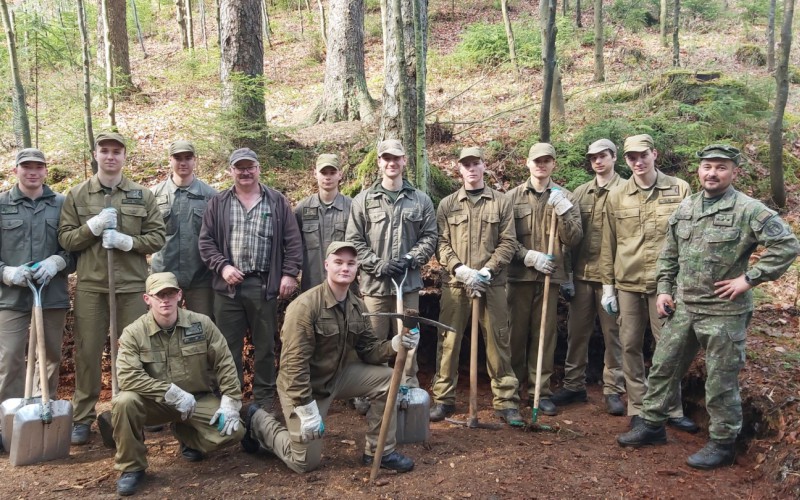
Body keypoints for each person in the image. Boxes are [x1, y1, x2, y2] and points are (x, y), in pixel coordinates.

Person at [616, 144, 800, 469]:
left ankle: (722, 443)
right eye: (707, 167)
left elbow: (787, 245)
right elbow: (668, 254)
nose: (712, 173)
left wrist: (750, 278)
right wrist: (663, 291)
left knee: (720, 380)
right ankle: (652, 424)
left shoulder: (748, 210)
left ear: (733, 172)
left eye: (721, 167)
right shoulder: (687, 208)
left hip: (724, 311)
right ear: (699, 171)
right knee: (663, 366)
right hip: (685, 306)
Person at [241, 241, 419, 474]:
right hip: (304, 387)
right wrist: (305, 409)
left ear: (357, 269)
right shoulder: (305, 307)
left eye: (351, 263)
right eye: (338, 262)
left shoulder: (358, 306)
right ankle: (257, 421)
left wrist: (395, 345)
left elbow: (370, 351)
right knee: (304, 462)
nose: (345, 268)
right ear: (326, 265)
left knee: (387, 378)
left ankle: (379, 451)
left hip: (337, 376)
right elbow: (294, 366)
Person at [59, 132, 166, 446]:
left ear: (124, 157)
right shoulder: (78, 195)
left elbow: (158, 237)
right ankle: (82, 417)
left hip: (131, 286)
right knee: (88, 352)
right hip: (92, 286)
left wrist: (128, 241)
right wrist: (91, 228)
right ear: (95, 154)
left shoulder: (141, 195)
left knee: (135, 352)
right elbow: (66, 239)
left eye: (116, 152)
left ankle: (140, 411)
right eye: (104, 151)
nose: (110, 156)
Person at [112, 272, 245, 496]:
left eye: (170, 293)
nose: (165, 300)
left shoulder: (201, 324)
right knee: (123, 403)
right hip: (155, 403)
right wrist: (168, 392)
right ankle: (132, 467)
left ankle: (186, 435)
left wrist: (231, 400)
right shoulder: (134, 333)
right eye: (159, 295)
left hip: (197, 400)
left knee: (234, 432)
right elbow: (127, 377)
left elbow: (224, 361)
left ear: (179, 295)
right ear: (147, 299)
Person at [599, 134, 697, 432]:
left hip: (664, 286)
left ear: (654, 154)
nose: (638, 162)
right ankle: (639, 407)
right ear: (625, 160)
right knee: (629, 345)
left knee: (668, 347)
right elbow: (608, 243)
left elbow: (690, 238)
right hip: (628, 283)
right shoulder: (617, 195)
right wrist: (607, 287)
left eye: (643, 155)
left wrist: (684, 283)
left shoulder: (679, 189)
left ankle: (671, 407)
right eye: (631, 157)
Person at [199, 147, 302, 412]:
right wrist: (222, 267)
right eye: (239, 167)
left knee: (265, 346)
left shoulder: (277, 201)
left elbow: (292, 241)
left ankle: (264, 401)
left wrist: (289, 273)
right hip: (227, 288)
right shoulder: (218, 203)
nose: (245, 172)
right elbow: (206, 242)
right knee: (227, 347)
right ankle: (231, 398)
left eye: (250, 167)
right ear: (231, 171)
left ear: (258, 169)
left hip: (263, 285)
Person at [430, 147, 522, 425]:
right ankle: (443, 399)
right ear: (458, 169)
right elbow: (441, 243)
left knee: (497, 340)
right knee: (448, 342)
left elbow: (509, 242)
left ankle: (506, 400)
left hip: (492, 285)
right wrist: (460, 269)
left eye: (476, 163)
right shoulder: (447, 204)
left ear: (484, 166)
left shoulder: (501, 202)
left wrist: (486, 271)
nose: (471, 169)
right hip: (456, 285)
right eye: (466, 164)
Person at [345, 139, 437, 389]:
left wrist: (411, 259)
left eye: (397, 158)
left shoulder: (420, 200)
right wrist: (378, 265)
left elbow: (430, 237)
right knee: (373, 341)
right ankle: (374, 388)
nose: (392, 163)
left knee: (409, 338)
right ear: (379, 162)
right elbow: (353, 240)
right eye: (386, 158)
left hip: (408, 286)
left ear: (404, 161)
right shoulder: (362, 201)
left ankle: (407, 384)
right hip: (375, 286)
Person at [506, 143, 582, 416]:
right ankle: (511, 391)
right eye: (537, 160)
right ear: (528, 163)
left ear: (553, 164)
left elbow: (573, 238)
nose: (541, 165)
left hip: (550, 279)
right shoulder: (511, 198)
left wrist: (562, 211)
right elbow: (505, 240)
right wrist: (528, 256)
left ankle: (541, 391)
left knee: (544, 336)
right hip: (519, 277)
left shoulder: (566, 196)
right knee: (515, 335)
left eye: (547, 160)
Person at [550, 139, 625, 416]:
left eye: (603, 156)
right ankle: (573, 384)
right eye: (593, 157)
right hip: (582, 275)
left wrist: (616, 283)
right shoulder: (579, 194)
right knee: (576, 333)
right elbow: (568, 239)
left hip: (614, 279)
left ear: (614, 157)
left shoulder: (627, 191)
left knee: (614, 335)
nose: (597, 161)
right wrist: (568, 275)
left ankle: (613, 389)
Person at [0, 148, 73, 418]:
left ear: (45, 170)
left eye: (38, 167)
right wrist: (6, 272)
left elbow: (74, 250)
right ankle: (8, 419)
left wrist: (57, 262)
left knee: (51, 356)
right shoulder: (2, 204)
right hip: (10, 296)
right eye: (26, 166)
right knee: (9, 359)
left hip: (51, 293)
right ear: (15, 170)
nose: (33, 172)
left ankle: (44, 409)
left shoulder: (62, 204)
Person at [150, 140, 217, 317]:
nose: (183, 162)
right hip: (163, 277)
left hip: (201, 277)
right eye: (177, 158)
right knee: (163, 329)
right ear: (170, 160)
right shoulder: (153, 195)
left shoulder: (210, 196)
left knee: (202, 328)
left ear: (195, 160)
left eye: (188, 158)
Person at [294, 153, 351, 292]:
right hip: (312, 284)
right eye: (323, 172)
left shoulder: (352, 208)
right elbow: (293, 246)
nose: (328, 177)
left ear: (340, 174)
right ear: (315, 174)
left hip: (345, 286)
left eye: (332, 172)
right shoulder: (302, 209)